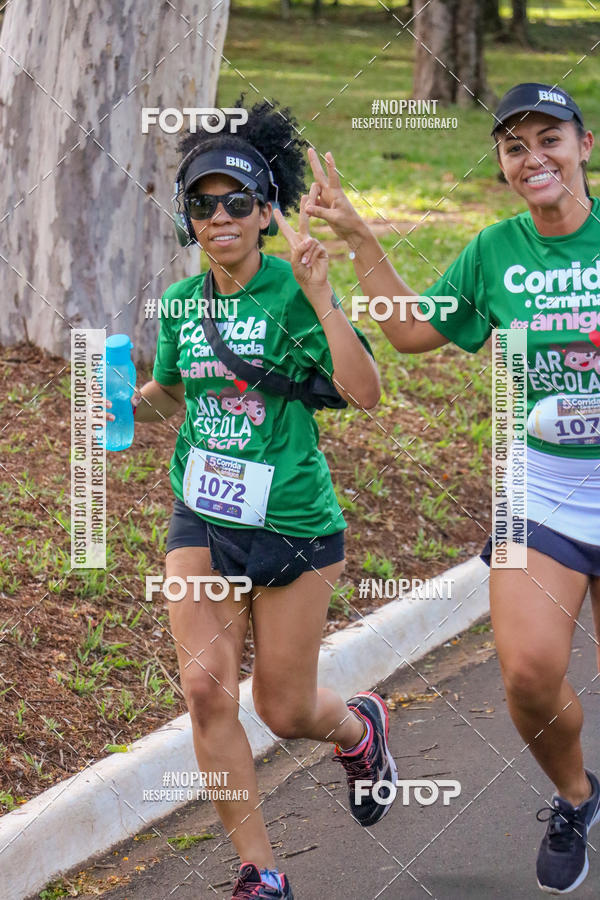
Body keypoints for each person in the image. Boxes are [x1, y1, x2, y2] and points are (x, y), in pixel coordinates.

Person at [304, 82, 600, 894]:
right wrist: (364, 236)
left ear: (584, 147)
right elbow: (407, 329)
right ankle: (576, 797)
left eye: (550, 139)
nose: (533, 157)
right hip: (540, 492)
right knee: (530, 673)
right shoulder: (495, 251)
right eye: (515, 145)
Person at [109, 98, 397, 899]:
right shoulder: (182, 304)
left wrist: (323, 295)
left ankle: (357, 727)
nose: (220, 216)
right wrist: (129, 404)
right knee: (205, 688)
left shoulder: (293, 290)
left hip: (294, 522)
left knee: (284, 706)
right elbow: (174, 391)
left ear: (267, 211)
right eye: (202, 203)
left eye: (238, 200)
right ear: (186, 217)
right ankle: (261, 872)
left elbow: (363, 392)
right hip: (201, 512)